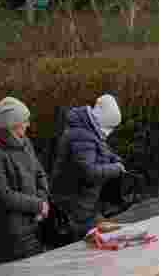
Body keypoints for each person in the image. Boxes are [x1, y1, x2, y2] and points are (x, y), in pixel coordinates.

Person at [0, 96, 50, 265]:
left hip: (35, 228)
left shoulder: (25, 143)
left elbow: (40, 175)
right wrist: (38, 205)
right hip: (9, 237)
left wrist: (42, 201)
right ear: (12, 124)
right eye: (24, 121)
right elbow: (2, 195)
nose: (28, 124)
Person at [50, 94, 125, 240]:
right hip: (74, 207)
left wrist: (115, 160)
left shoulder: (88, 131)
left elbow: (103, 152)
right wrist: (116, 168)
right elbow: (89, 171)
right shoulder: (81, 135)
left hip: (85, 205)